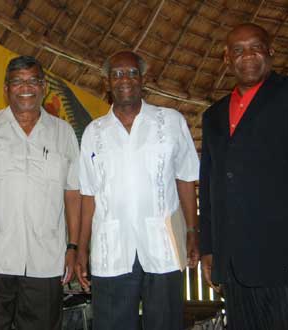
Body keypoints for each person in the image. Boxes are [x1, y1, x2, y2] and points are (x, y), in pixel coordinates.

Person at [199, 23, 288, 330]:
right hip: (235, 265)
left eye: (255, 47)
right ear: (226, 59)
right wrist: (210, 248)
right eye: (238, 50)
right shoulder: (213, 115)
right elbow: (211, 186)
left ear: (270, 52)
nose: (247, 55)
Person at [75, 50, 200, 330]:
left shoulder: (170, 121)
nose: (125, 79)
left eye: (132, 72)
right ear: (108, 83)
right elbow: (88, 194)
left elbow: (186, 178)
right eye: (117, 74)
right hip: (111, 251)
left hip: (164, 247)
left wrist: (192, 231)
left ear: (143, 78)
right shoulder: (94, 133)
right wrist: (82, 249)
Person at [0, 55, 81, 330]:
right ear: (6, 89)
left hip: (46, 261)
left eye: (33, 80)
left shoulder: (63, 133)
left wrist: (73, 247)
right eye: (17, 81)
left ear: (43, 87)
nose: (25, 87)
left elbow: (73, 193)